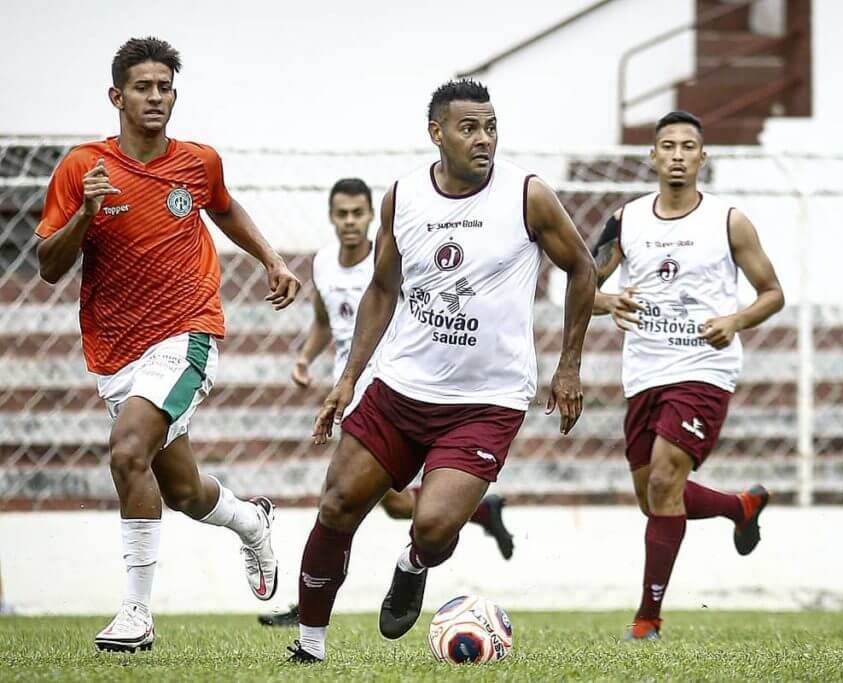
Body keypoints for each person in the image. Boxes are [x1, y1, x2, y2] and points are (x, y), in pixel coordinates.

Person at [285, 79, 596, 662]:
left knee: (431, 527)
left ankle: (413, 565)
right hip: (400, 389)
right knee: (336, 507)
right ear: (437, 134)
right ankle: (308, 648)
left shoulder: (527, 196)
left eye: (491, 127)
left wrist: (570, 364)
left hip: (486, 401)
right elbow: (382, 287)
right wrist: (348, 379)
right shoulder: (403, 197)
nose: (484, 140)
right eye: (469, 128)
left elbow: (582, 268)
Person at [34, 37, 301, 653]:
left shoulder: (197, 162)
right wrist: (85, 214)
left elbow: (224, 209)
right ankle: (251, 521)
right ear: (116, 96)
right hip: (115, 351)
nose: (155, 97)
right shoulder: (82, 169)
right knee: (182, 491)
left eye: (164, 88)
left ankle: (135, 613)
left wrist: (271, 259)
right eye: (143, 87)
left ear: (174, 95)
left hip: (186, 333)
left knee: (127, 451)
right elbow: (48, 266)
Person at [257, 177, 515, 629]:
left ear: (371, 217)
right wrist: (305, 357)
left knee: (363, 501)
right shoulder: (324, 265)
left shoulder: (386, 262)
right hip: (351, 383)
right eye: (343, 214)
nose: (351, 222)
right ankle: (475, 514)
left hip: (388, 387)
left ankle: (320, 599)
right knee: (369, 503)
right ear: (332, 217)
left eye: (359, 213)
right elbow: (326, 319)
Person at [591, 111, 783, 641]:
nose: (677, 155)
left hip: (704, 367)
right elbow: (583, 284)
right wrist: (605, 299)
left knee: (663, 483)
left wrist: (736, 319)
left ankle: (647, 618)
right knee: (652, 498)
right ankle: (740, 506)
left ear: (703, 157)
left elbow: (773, 293)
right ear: (652, 156)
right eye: (668, 146)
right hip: (644, 372)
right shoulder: (625, 221)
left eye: (688, 146)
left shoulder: (729, 221)